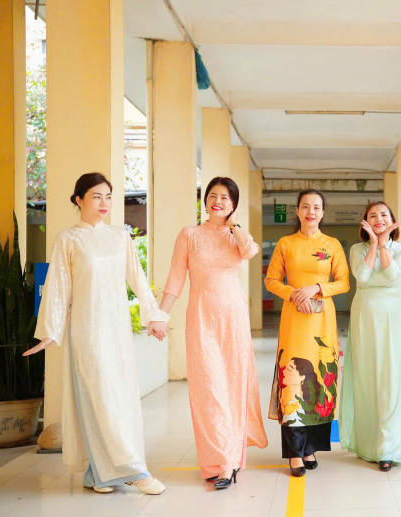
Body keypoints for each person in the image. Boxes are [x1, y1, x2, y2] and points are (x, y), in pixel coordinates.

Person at [23, 172, 168, 495]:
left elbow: (138, 279)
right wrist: (49, 332)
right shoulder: (68, 239)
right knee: (100, 396)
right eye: (96, 196)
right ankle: (134, 471)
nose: (104, 203)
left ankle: (99, 474)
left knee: (119, 398)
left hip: (117, 330)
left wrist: (154, 315)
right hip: (87, 331)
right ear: (79, 200)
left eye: (109, 197)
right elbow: (58, 288)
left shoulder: (119, 236)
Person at [159, 177, 268, 489]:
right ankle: (218, 459)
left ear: (233, 205)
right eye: (212, 195)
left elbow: (250, 251)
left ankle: (228, 462)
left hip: (233, 320)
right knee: (208, 389)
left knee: (233, 388)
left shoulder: (237, 235)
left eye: (225, 197)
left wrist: (234, 225)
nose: (217, 201)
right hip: (201, 319)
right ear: (204, 200)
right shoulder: (189, 234)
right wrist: (160, 315)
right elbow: (176, 278)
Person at [264, 189, 350, 477]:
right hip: (294, 320)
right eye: (305, 206)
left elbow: (344, 282)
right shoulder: (286, 243)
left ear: (322, 212)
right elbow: (271, 280)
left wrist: (317, 288)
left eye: (316, 207)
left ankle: (310, 448)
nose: (310, 211)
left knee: (318, 382)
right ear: (297, 211)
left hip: (322, 321)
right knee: (292, 380)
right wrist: (294, 294)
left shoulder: (332, 244)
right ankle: (294, 453)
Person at [339, 201, 401, 471]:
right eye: (372, 215)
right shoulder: (357, 249)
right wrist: (373, 245)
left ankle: (389, 448)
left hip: (391, 317)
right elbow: (361, 276)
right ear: (365, 222)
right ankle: (368, 445)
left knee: (390, 379)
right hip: (364, 317)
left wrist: (383, 245)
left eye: (383, 214)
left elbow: (393, 275)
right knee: (366, 379)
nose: (378, 219)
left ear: (392, 220)